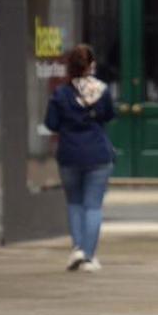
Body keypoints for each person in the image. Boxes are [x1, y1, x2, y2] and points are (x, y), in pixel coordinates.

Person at [45, 44, 117, 273]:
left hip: (69, 154)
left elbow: (51, 123)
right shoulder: (101, 91)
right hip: (98, 153)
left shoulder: (60, 93)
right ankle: (89, 256)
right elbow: (109, 115)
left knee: (74, 203)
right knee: (93, 206)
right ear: (91, 65)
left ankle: (77, 248)